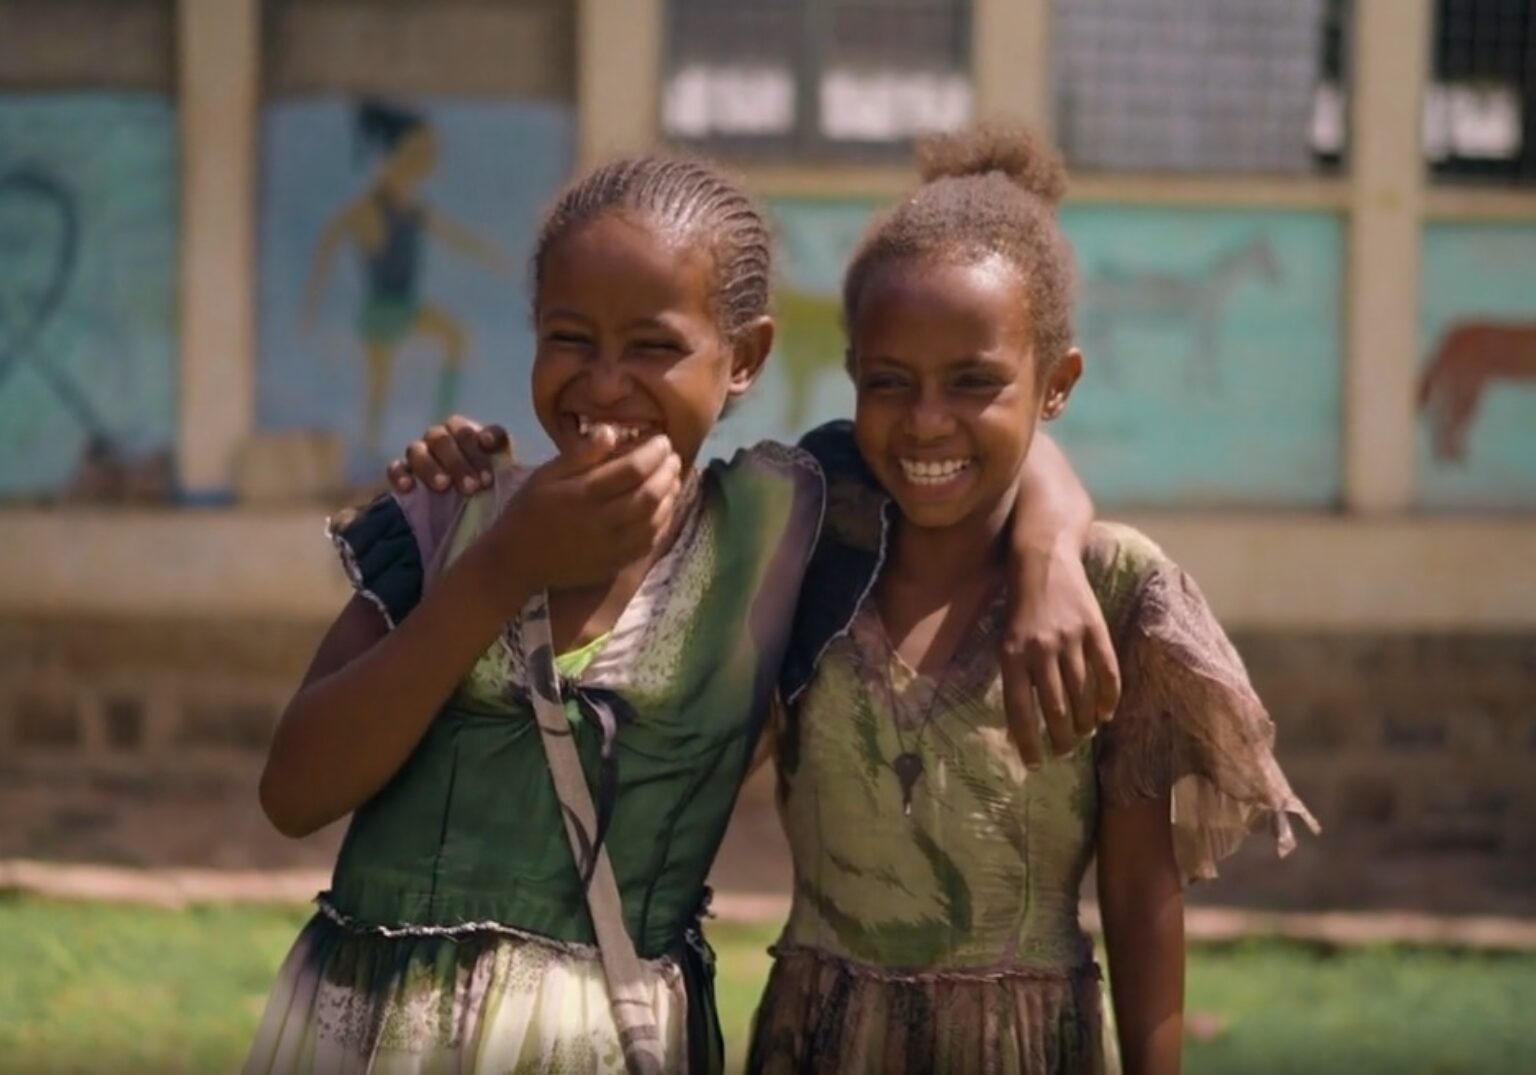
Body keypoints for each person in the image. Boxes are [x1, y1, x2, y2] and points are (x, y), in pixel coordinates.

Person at [246, 152, 1115, 1075]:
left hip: (615, 1040)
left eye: (655, 347)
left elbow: (972, 444)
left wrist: (1050, 550)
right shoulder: (450, 514)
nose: (607, 382)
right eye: (570, 338)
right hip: (387, 1030)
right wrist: (503, 567)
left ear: (745, 358)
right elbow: (293, 793)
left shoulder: (782, 526)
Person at [744, 126, 1320, 1074]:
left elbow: (1140, 892)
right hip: (818, 1039)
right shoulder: (804, 547)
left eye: (974, 383)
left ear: (1057, 386)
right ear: (853, 375)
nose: (928, 419)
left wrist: (1053, 549)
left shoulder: (1115, 593)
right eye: (892, 381)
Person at [301, 98, 507, 459]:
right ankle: (370, 450)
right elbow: (329, 241)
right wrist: (312, 304)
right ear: (398, 154)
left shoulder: (411, 209)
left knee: (455, 339)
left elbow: (456, 237)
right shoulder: (369, 208)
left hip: (405, 308)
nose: (427, 161)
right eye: (420, 151)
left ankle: (441, 429)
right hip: (380, 313)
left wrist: (495, 257)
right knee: (379, 390)